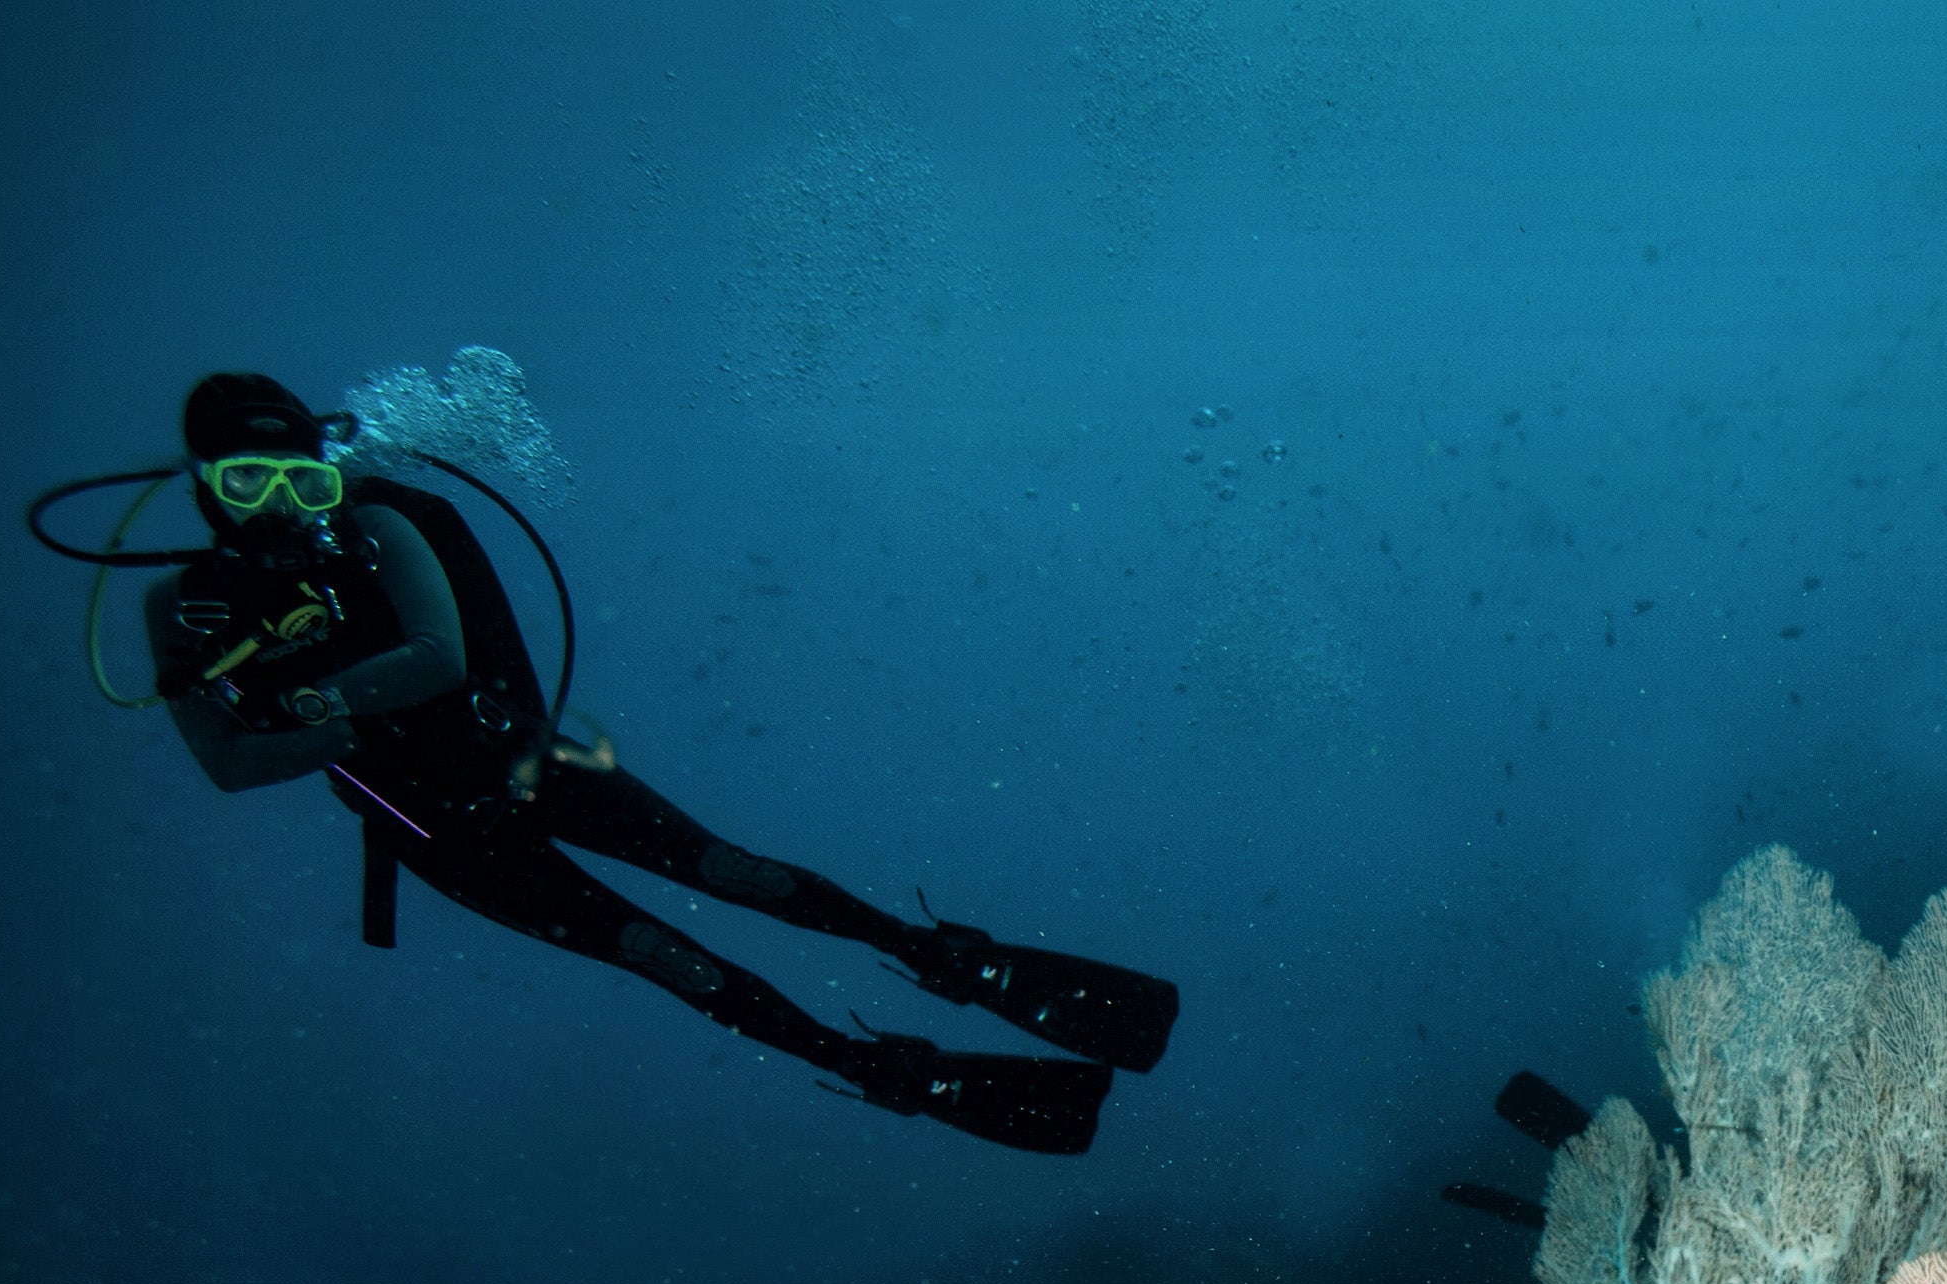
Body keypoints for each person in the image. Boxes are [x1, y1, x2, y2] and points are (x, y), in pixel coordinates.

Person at [69, 371, 1175, 1153]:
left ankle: (940, 956)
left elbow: (439, 657)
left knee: (732, 871)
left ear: (328, 473)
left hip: (522, 763)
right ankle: (875, 1067)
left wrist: (314, 707)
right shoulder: (183, 606)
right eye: (247, 485)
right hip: (437, 833)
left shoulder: (378, 529)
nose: (280, 511)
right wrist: (347, 724)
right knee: (665, 958)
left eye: (300, 483)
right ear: (203, 487)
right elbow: (225, 766)